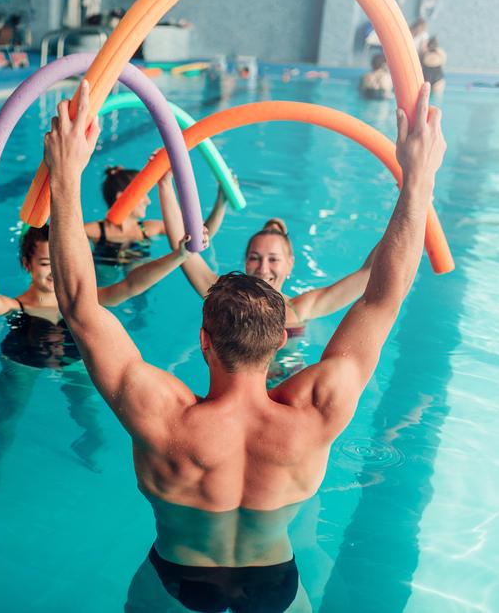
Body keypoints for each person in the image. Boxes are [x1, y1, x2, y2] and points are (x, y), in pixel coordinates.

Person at [43, 79, 445, 611]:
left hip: (176, 581)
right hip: (273, 585)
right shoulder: (318, 410)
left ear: (204, 341)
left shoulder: (160, 413)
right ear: (281, 340)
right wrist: (417, 181)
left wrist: (65, 177)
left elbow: (79, 305)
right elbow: (383, 299)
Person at [0, 223, 198, 491]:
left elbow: (130, 286)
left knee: (89, 413)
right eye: (46, 263)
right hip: (22, 361)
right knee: (8, 415)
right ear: (28, 263)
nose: (54, 272)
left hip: (72, 360)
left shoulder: (82, 305)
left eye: (60, 264)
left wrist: (180, 256)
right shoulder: (17, 306)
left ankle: (87, 444)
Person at [177, 209, 377, 386]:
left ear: (290, 264)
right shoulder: (226, 299)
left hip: (288, 389)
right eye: (254, 258)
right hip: (243, 396)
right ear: (246, 262)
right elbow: (182, 250)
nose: (263, 269)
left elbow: (367, 274)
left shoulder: (300, 308)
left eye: (273, 259)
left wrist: (406, 205)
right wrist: (165, 184)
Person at [84, 167, 227, 268]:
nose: (148, 201)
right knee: (106, 275)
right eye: (143, 194)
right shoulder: (93, 231)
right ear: (121, 197)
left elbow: (200, 234)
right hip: (105, 280)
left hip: (135, 283)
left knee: (139, 270)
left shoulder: (148, 228)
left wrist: (221, 200)